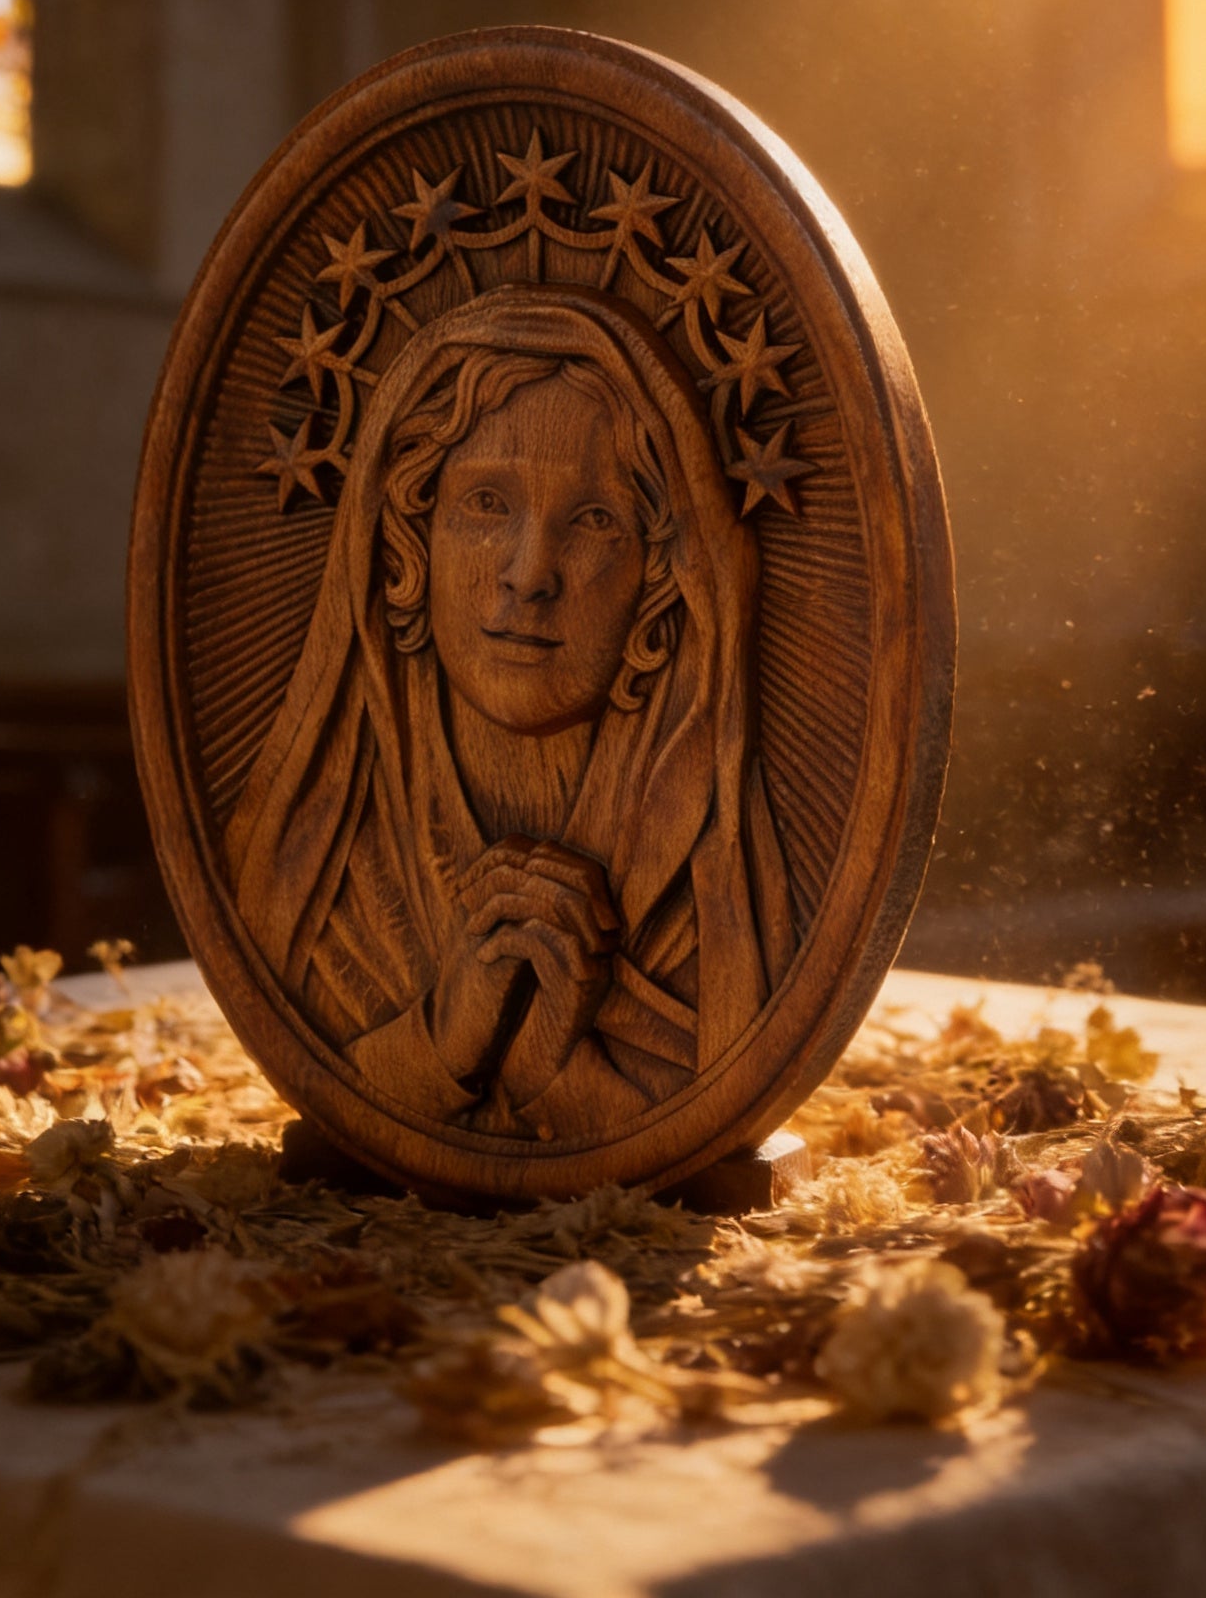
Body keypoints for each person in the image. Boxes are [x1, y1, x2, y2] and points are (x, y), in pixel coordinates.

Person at [227, 285, 795, 1143]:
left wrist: (549, 1069)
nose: (530, 574)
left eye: (595, 520)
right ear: (410, 546)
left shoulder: (718, 909)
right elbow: (330, 1074)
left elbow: (706, 1108)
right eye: (487, 503)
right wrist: (440, 1041)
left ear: (658, 580)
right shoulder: (306, 871)